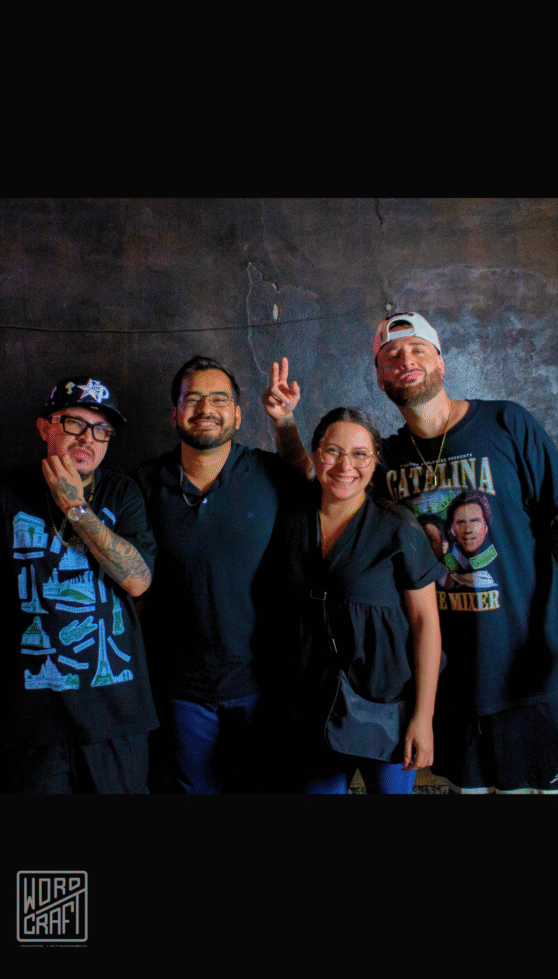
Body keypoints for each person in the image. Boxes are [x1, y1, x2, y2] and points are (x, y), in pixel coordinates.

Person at [373, 310, 558, 794]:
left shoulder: (507, 422)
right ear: (380, 378)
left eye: (418, 349)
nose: (405, 360)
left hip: (529, 677)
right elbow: (323, 492)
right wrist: (284, 424)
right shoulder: (383, 460)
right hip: (450, 687)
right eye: (392, 355)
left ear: (441, 362)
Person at [135, 354, 310, 794]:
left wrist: (285, 422)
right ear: (174, 413)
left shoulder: (268, 473)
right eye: (192, 398)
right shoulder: (144, 485)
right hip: (181, 690)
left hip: (263, 685)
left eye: (218, 399)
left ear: (237, 413)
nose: (205, 408)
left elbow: (313, 487)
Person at [0, 376, 158, 794]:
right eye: (75, 423)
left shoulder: (121, 492)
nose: (88, 438)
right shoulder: (2, 497)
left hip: (116, 719)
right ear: (45, 427)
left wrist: (75, 507)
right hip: (34, 726)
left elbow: (138, 581)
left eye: (101, 429)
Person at [273, 407, 443, 794]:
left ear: (375, 459)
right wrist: (282, 420)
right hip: (311, 707)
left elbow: (426, 625)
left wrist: (423, 717)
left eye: (360, 454)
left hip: (386, 709)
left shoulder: (398, 528)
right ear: (317, 453)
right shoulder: (292, 522)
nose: (345, 466)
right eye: (333, 451)